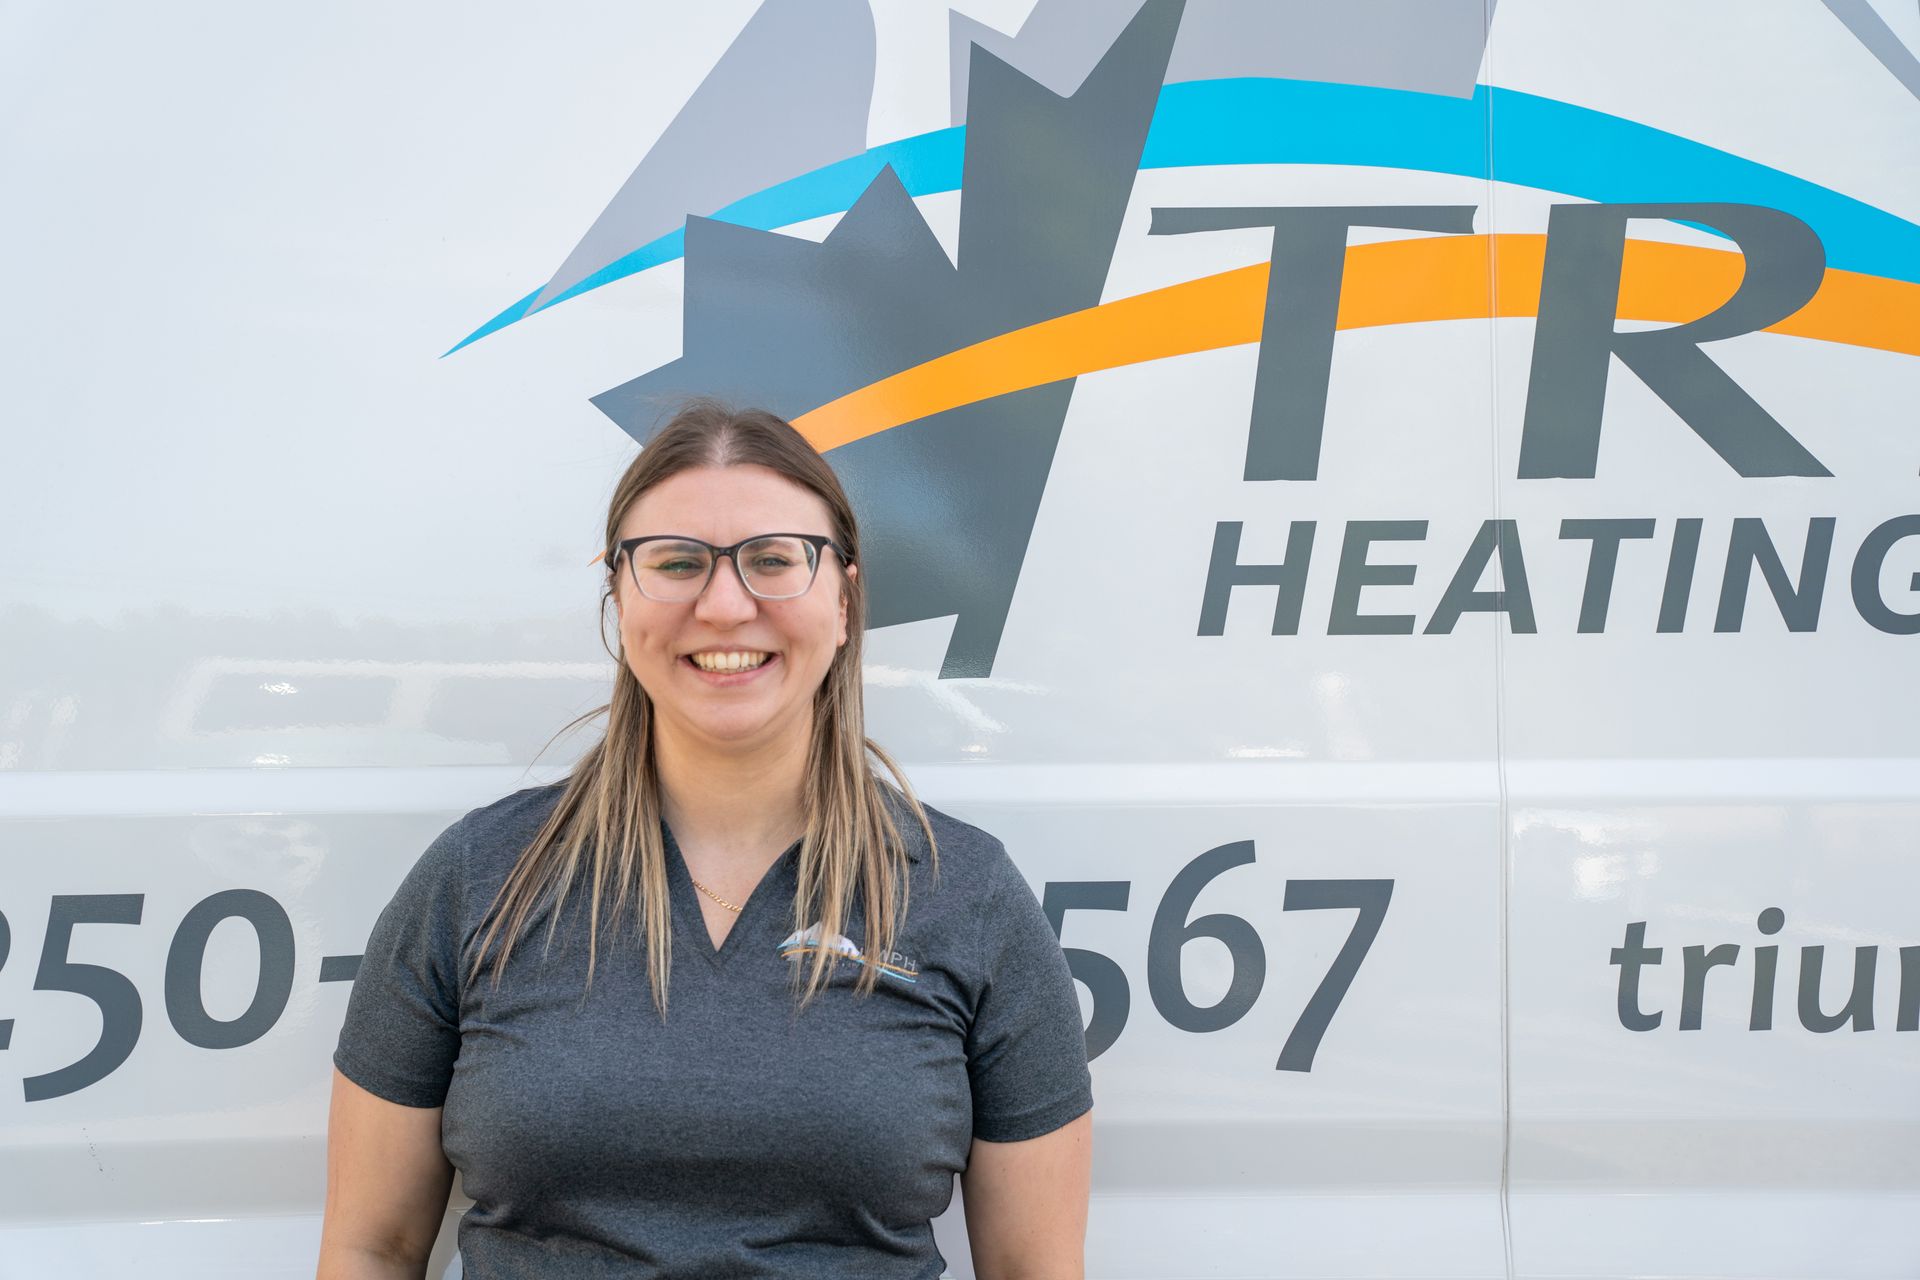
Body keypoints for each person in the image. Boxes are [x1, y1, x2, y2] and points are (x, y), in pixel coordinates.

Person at [317, 399, 1094, 1279]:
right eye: (677, 562)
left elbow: (1035, 1268)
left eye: (773, 560)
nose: (725, 606)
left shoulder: (966, 893)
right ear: (619, 599)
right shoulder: (480, 877)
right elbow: (369, 1248)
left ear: (844, 599)